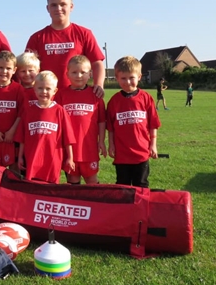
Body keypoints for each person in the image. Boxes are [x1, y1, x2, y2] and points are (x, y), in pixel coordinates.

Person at [25, 0, 105, 97]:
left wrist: (99, 84)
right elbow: (26, 68)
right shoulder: (37, 38)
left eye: (63, 4)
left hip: (76, 96)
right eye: (54, 5)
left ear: (71, 7)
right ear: (47, 8)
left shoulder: (84, 33)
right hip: (46, 98)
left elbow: (97, 63)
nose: (58, 8)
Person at [106, 56, 161, 187]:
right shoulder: (114, 102)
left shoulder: (146, 98)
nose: (128, 82)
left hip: (141, 152)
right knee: (122, 186)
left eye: (131, 78)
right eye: (123, 78)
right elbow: (111, 127)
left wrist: (153, 145)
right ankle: (124, 208)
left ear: (139, 77)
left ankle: (140, 208)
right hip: (122, 154)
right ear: (117, 78)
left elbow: (153, 124)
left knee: (141, 185)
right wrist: (111, 145)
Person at [15, 71, 75, 184]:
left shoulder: (59, 111)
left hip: (53, 159)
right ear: (34, 89)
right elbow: (22, 138)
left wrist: (70, 157)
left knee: (50, 188)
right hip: (32, 158)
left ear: (55, 91)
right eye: (40, 88)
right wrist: (20, 157)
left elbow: (68, 138)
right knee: (33, 187)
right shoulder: (28, 111)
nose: (44, 92)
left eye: (48, 89)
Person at [56, 55, 106, 184]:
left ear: (90, 74)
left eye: (83, 72)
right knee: (73, 180)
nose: (79, 75)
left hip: (89, 148)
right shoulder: (61, 95)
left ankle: (95, 204)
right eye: (74, 72)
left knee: (92, 180)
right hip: (70, 149)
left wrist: (101, 141)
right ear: (67, 74)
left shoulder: (96, 95)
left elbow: (101, 121)